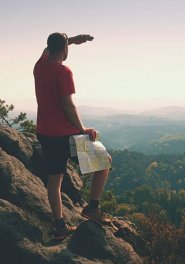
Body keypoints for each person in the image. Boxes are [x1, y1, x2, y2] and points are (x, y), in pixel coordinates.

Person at [34, 32, 111, 240]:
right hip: (66, 136)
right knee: (105, 163)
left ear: (49, 47)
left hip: (44, 133)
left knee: (55, 180)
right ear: (65, 49)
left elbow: (46, 50)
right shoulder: (64, 71)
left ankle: (59, 226)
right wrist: (82, 129)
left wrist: (72, 40)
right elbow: (68, 105)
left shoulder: (39, 67)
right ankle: (92, 208)